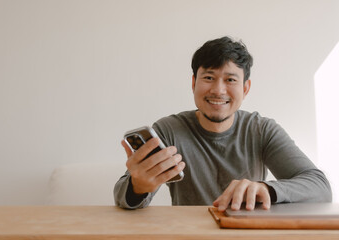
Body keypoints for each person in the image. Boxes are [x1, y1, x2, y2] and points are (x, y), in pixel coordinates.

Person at [114, 36, 332, 211]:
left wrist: (265, 188)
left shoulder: (262, 130)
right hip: (189, 235)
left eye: (230, 80)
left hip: (247, 234)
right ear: (193, 83)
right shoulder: (169, 130)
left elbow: (320, 187)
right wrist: (138, 186)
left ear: (245, 88)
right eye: (209, 77)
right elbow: (122, 197)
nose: (218, 90)